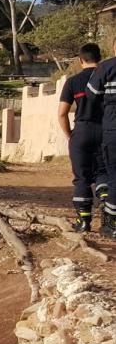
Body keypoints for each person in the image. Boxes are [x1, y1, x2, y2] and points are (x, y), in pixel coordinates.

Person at [70, 43, 111, 232]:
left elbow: (62, 113)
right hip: (105, 130)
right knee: (104, 172)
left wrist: (70, 135)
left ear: (80, 60)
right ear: (99, 57)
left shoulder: (73, 81)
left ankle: (84, 221)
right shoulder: (107, 74)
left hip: (82, 130)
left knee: (82, 177)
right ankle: (106, 206)